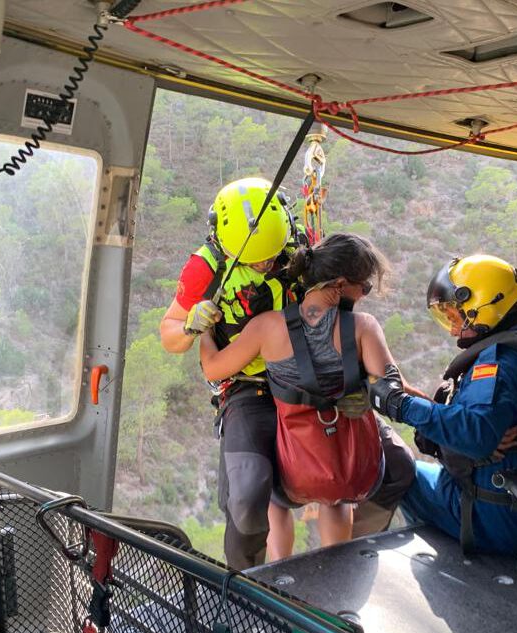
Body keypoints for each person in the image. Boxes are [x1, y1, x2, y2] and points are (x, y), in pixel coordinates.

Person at [160, 177, 415, 569]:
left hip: (309, 368)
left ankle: (350, 564)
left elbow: (333, 295)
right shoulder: (205, 268)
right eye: (255, 260)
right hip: (249, 382)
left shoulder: (299, 244)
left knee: (395, 465)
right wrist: (193, 326)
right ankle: (247, 588)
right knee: (247, 496)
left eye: (272, 257)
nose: (265, 265)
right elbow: (170, 334)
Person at [369, 254, 517, 555]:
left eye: (456, 317)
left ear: (482, 308)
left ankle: (446, 556)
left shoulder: (501, 364)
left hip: (496, 515)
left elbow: (475, 435)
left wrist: (400, 405)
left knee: (397, 470)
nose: (452, 329)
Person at [198, 233, 395, 559]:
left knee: (272, 493)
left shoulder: (267, 326)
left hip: (293, 476)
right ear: (342, 284)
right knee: (340, 497)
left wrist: (205, 332)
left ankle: (280, 573)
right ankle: (341, 572)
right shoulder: (363, 327)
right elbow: (390, 383)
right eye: (365, 288)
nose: (364, 295)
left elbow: (214, 369)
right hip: (350, 469)